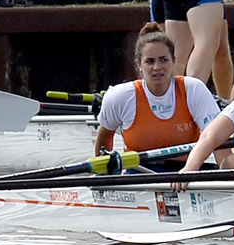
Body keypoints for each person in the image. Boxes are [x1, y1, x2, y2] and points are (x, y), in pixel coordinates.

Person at [93, 23, 223, 158]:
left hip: (186, 170)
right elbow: (104, 142)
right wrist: (102, 175)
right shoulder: (120, 96)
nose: (157, 67)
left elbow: (217, 141)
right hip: (140, 172)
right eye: (150, 61)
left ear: (173, 61)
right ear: (139, 65)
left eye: (163, 60)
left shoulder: (194, 89)